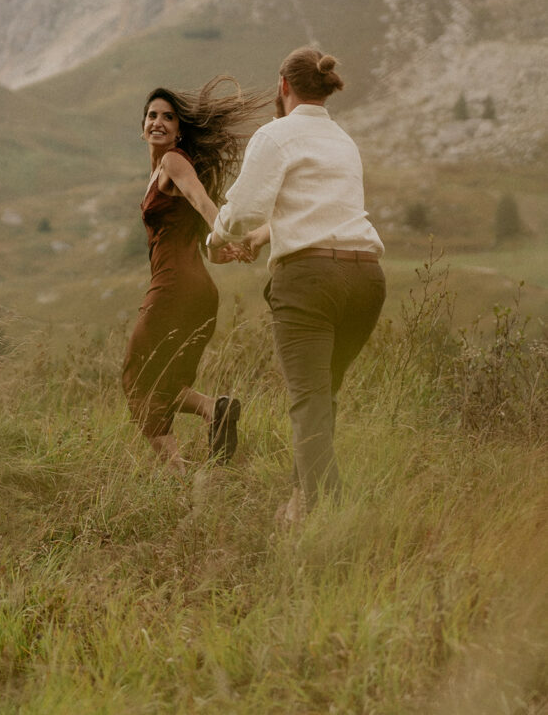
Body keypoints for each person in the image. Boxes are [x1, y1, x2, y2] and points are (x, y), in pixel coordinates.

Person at [207, 47, 386, 521]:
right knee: (321, 399)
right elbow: (323, 212)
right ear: (324, 87)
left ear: (283, 86)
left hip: (310, 282)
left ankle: (327, 520)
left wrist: (215, 240)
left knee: (309, 403)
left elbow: (243, 210)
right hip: (366, 278)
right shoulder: (343, 141)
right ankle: (300, 507)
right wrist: (267, 235)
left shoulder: (276, 135)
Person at [121, 77, 267, 474]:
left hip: (173, 288)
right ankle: (213, 411)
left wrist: (223, 228)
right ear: (142, 125)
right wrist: (227, 246)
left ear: (179, 129)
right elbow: (212, 254)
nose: (158, 122)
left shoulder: (173, 162)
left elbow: (203, 201)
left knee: (136, 378)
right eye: (152, 115)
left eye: (168, 117)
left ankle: (179, 467)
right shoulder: (158, 173)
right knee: (163, 381)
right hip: (198, 289)